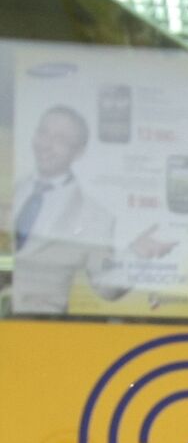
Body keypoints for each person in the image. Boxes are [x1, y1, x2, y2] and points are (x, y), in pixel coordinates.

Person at [10, 104, 175, 315]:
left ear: (78, 152)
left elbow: (107, 287)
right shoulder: (11, 191)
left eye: (60, 139)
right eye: (43, 132)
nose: (46, 144)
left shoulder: (96, 216)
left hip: (37, 331)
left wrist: (136, 254)